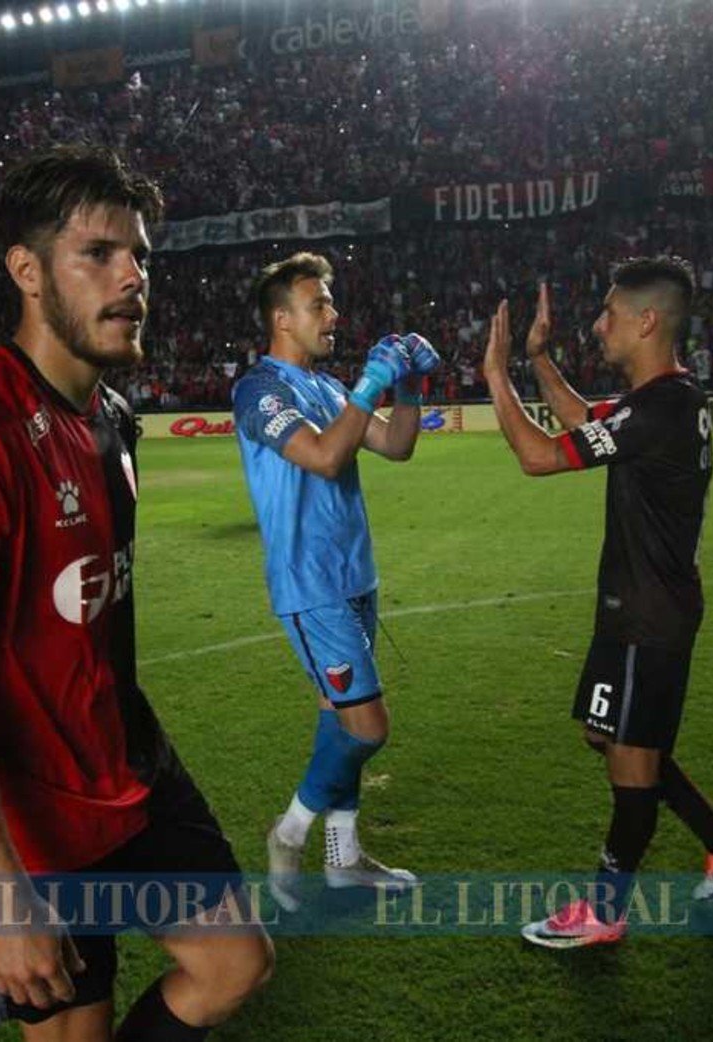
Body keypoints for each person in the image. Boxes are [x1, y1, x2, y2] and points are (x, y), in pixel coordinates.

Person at [0, 143, 270, 1042]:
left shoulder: (113, 419)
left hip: (128, 770)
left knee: (235, 963)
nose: (132, 276)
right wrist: (1, 890)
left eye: (139, 254)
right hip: (27, 823)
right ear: (26, 272)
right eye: (98, 253)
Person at [482, 264, 713, 949]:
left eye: (609, 313)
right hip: (636, 607)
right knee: (607, 735)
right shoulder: (666, 401)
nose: (598, 324)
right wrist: (537, 359)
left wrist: (495, 375)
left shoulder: (661, 408)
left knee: (631, 764)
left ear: (646, 321)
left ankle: (605, 912)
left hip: (648, 616)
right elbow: (585, 422)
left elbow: (539, 456)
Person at [230, 251, 438, 912]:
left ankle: (344, 860)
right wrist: (371, 383)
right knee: (367, 729)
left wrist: (408, 385)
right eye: (318, 303)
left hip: (355, 577)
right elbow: (322, 457)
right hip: (311, 586)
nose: (333, 314)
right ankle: (290, 832)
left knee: (339, 719)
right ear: (281, 318)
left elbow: (397, 446)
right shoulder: (259, 391)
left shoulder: (325, 388)